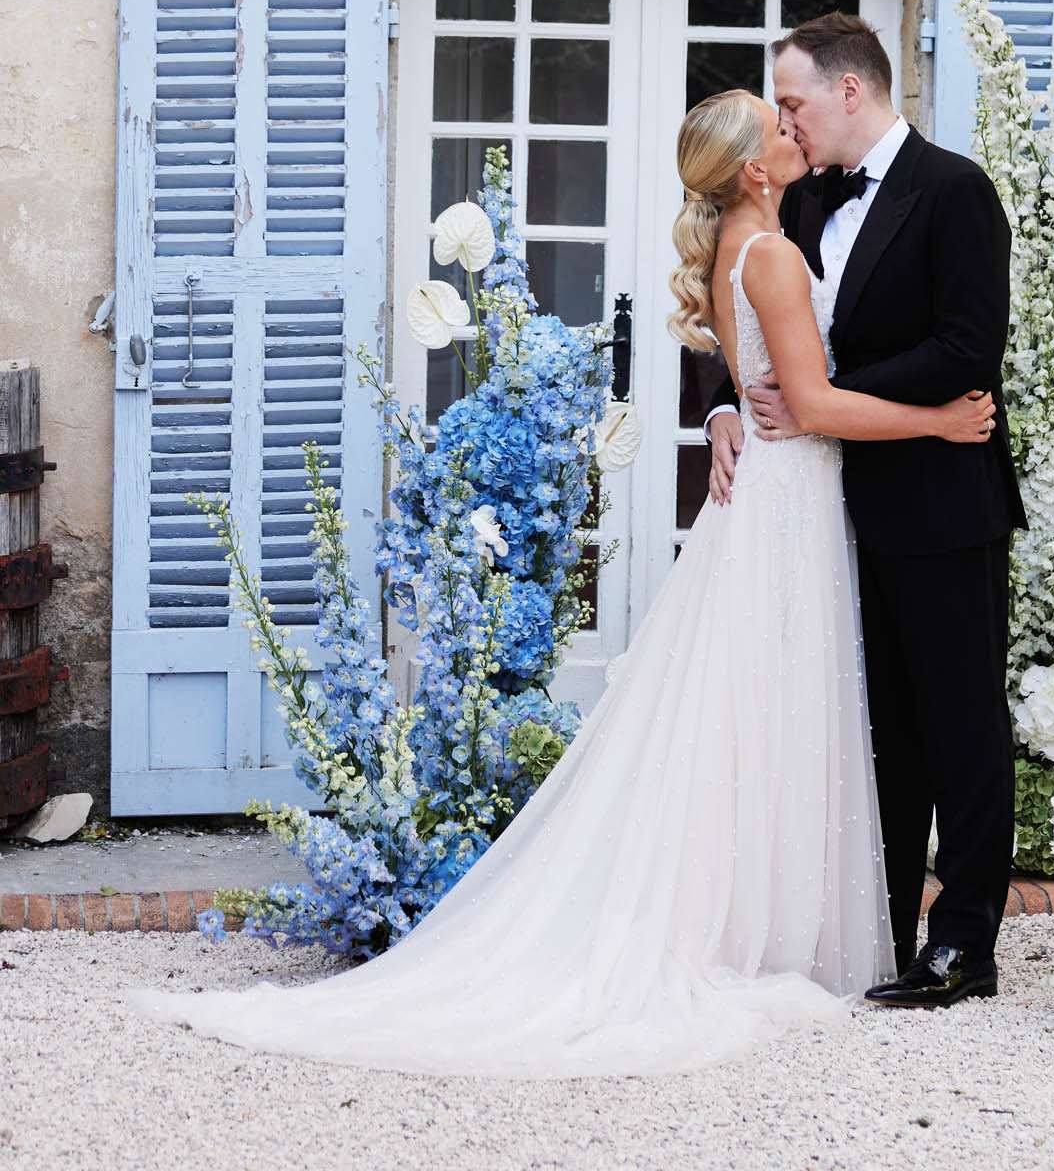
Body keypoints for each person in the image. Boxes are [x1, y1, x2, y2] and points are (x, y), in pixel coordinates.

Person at [122, 88, 995, 1078]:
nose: (797, 129)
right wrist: (939, 423)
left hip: (767, 504)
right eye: (778, 126)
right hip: (787, 500)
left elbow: (774, 386)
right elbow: (813, 400)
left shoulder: (737, 247)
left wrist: (736, 413)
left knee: (746, 710)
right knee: (772, 706)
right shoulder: (779, 255)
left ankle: (751, 919)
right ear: (756, 168)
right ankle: (762, 932)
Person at [705, 13, 1027, 1010]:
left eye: (795, 99)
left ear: (853, 90)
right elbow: (764, 327)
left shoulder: (955, 190)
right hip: (834, 512)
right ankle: (876, 927)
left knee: (961, 723)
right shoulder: (797, 207)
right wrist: (735, 403)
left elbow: (968, 350)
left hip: (942, 498)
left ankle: (963, 942)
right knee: (874, 728)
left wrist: (821, 399)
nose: (789, 123)